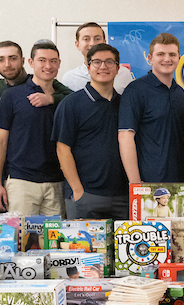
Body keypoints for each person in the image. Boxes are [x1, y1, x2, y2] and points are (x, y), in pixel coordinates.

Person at [54, 43, 130, 219]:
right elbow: (62, 148)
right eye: (96, 62)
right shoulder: (71, 104)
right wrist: (78, 190)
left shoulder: (126, 104)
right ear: (88, 67)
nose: (103, 67)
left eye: (109, 62)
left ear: (118, 68)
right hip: (85, 196)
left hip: (123, 197)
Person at [0, 40, 66, 215]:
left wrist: (52, 99)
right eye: (42, 60)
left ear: (59, 64)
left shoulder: (65, 99)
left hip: (56, 183)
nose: (48, 66)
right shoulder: (11, 96)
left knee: (54, 241)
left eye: (53, 61)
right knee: (20, 240)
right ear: (30, 62)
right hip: (21, 182)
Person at [119, 33, 184, 184]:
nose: (167, 59)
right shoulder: (135, 90)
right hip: (147, 181)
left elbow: (183, 137)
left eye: (172, 54)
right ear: (150, 59)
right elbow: (125, 136)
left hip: (180, 181)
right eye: (160, 54)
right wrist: (135, 183)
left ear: (179, 58)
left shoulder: (179, 93)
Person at [58, 22, 134, 94]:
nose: (92, 44)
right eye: (86, 39)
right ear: (77, 45)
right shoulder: (70, 78)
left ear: (104, 42)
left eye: (97, 39)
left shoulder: (124, 73)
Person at [0, 40, 28, 110]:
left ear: (22, 61)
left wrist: (52, 99)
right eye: (1, 60)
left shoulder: (38, 84)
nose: (7, 65)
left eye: (13, 59)